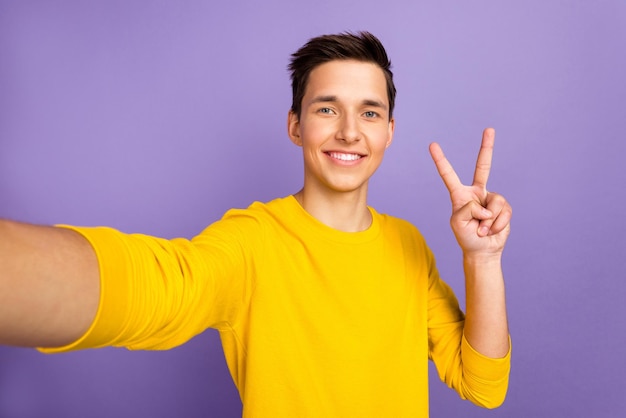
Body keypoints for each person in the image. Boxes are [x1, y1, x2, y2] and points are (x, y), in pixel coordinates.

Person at [0, 32, 512, 417]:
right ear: (296, 126)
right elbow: (159, 288)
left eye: (370, 113)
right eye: (327, 108)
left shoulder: (408, 244)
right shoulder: (252, 241)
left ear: (389, 131)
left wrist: (482, 258)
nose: (350, 131)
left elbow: (483, 384)